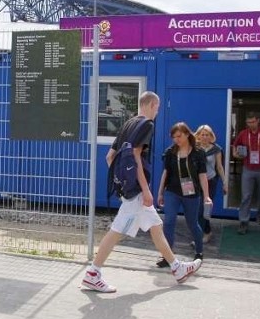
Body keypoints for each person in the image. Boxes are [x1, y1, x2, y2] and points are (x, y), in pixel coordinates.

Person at [81, 91, 202, 292]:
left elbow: (110, 157)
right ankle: (93, 273)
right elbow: (136, 156)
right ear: (153, 105)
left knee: (156, 225)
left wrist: (122, 187)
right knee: (117, 231)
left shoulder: (128, 124)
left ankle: (177, 268)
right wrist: (145, 190)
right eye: (158, 107)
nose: (158, 111)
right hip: (137, 191)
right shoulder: (147, 125)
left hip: (129, 190)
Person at [157, 122, 211, 261]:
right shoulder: (170, 152)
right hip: (172, 191)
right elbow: (165, 172)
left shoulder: (198, 153)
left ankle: (199, 252)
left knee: (192, 223)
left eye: (179, 136)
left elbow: (203, 175)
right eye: (174, 137)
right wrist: (160, 192)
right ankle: (167, 257)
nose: (176, 139)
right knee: (168, 221)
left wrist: (206, 196)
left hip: (191, 193)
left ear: (187, 134)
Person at [232, 112, 260, 234]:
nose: (250, 124)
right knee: (246, 196)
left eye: (252, 122)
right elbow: (235, 145)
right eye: (248, 122)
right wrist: (235, 153)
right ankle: (243, 221)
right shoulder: (243, 133)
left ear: (258, 121)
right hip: (248, 168)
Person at [195, 124, 227, 244]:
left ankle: (203, 234)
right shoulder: (195, 148)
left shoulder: (216, 149)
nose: (204, 137)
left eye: (207, 135)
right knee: (197, 210)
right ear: (198, 135)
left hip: (210, 181)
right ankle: (205, 232)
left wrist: (224, 182)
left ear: (211, 136)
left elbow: (219, 166)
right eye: (202, 134)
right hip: (196, 182)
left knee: (205, 209)